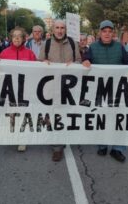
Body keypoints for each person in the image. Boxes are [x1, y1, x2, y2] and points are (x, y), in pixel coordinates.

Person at [82, 20, 128, 163]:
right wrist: (85, 62)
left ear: (113, 33)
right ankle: (102, 144)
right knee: (101, 118)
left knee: (118, 119)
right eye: (104, 31)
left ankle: (117, 149)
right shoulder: (93, 48)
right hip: (100, 90)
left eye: (109, 31)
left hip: (118, 90)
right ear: (100, 33)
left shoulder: (119, 47)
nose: (107, 34)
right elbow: (85, 61)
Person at [38, 19, 81, 162]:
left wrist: (74, 64)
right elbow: (39, 63)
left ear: (66, 30)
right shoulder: (47, 44)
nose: (60, 30)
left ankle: (63, 139)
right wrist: (43, 63)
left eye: (62, 27)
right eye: (57, 27)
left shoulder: (73, 44)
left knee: (66, 115)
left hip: (69, 88)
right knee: (54, 116)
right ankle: (57, 148)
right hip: (52, 88)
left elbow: (79, 62)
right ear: (53, 29)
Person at [0, 27, 36, 152]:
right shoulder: (4, 53)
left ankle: (22, 139)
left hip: (25, 89)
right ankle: (13, 135)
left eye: (19, 36)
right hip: (10, 89)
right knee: (12, 114)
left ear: (24, 38)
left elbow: (36, 71)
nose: (16, 38)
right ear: (11, 38)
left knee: (24, 114)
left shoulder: (30, 54)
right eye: (14, 36)